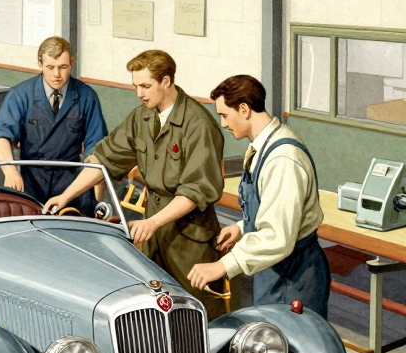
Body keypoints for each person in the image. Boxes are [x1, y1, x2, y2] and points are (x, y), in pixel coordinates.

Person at [44, 50, 228, 318]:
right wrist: (66, 195)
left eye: (145, 86)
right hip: (152, 232)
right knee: (153, 310)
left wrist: (153, 223)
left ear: (166, 82)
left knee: (194, 312)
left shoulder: (198, 124)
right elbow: (105, 160)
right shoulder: (141, 117)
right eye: (135, 86)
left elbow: (195, 190)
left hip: (190, 239)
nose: (139, 93)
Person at [188, 75, 330, 316]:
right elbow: (273, 209)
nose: (223, 124)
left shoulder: (282, 158)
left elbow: (277, 236)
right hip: (273, 270)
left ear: (243, 109)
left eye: (224, 115)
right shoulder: (262, 146)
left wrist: (222, 266)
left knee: (286, 347)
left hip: (292, 276)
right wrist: (243, 227)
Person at [0, 36, 107, 207]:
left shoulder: (87, 96)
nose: (56, 75)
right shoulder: (20, 95)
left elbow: (97, 148)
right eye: (50, 67)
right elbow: (1, 136)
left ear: (72, 63)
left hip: (73, 186)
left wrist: (96, 194)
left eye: (63, 67)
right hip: (30, 184)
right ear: (40, 64)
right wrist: (10, 171)